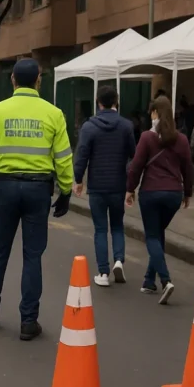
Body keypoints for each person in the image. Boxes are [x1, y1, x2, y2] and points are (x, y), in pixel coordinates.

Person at [0, 58, 74, 341]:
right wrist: (66, 191)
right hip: (38, 190)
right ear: (39, 81)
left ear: (13, 80)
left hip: (4, 188)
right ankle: (29, 321)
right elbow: (64, 159)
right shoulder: (54, 114)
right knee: (33, 256)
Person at [126, 96, 194, 305]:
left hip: (151, 193)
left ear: (155, 113)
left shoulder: (147, 137)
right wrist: (188, 192)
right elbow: (188, 168)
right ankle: (149, 280)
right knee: (158, 233)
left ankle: (165, 280)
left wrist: (130, 189)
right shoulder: (181, 139)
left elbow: (136, 165)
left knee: (152, 237)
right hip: (173, 194)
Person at [73, 85, 136, 287]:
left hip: (97, 185)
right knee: (117, 226)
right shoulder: (126, 126)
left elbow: (82, 154)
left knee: (100, 229)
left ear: (98, 102)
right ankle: (118, 260)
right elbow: (134, 155)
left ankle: (103, 272)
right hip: (118, 184)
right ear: (116, 101)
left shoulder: (89, 126)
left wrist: (78, 180)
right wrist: (131, 185)